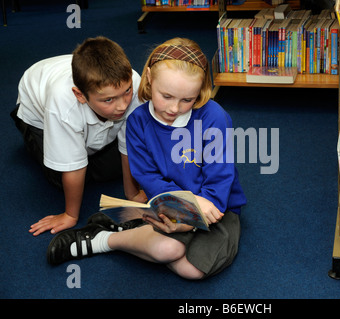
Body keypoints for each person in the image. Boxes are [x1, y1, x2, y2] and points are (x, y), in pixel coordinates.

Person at [46, 38, 247, 280]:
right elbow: (148, 176)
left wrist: (192, 217)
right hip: (171, 204)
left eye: (187, 100)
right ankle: (103, 240)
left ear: (200, 90)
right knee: (169, 249)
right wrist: (184, 207)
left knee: (192, 271)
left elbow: (220, 176)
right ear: (149, 78)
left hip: (215, 207)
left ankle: (135, 223)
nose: (174, 108)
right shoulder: (137, 121)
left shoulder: (215, 117)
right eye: (167, 96)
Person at [11, 36, 148, 236]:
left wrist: (132, 193)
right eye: (108, 99)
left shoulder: (133, 82)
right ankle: (29, 133)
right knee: (61, 177)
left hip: (81, 96)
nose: (122, 105)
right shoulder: (62, 104)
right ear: (80, 95)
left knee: (119, 165)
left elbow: (130, 142)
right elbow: (73, 169)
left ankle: (83, 144)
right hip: (36, 114)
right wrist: (70, 215)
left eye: (126, 92)